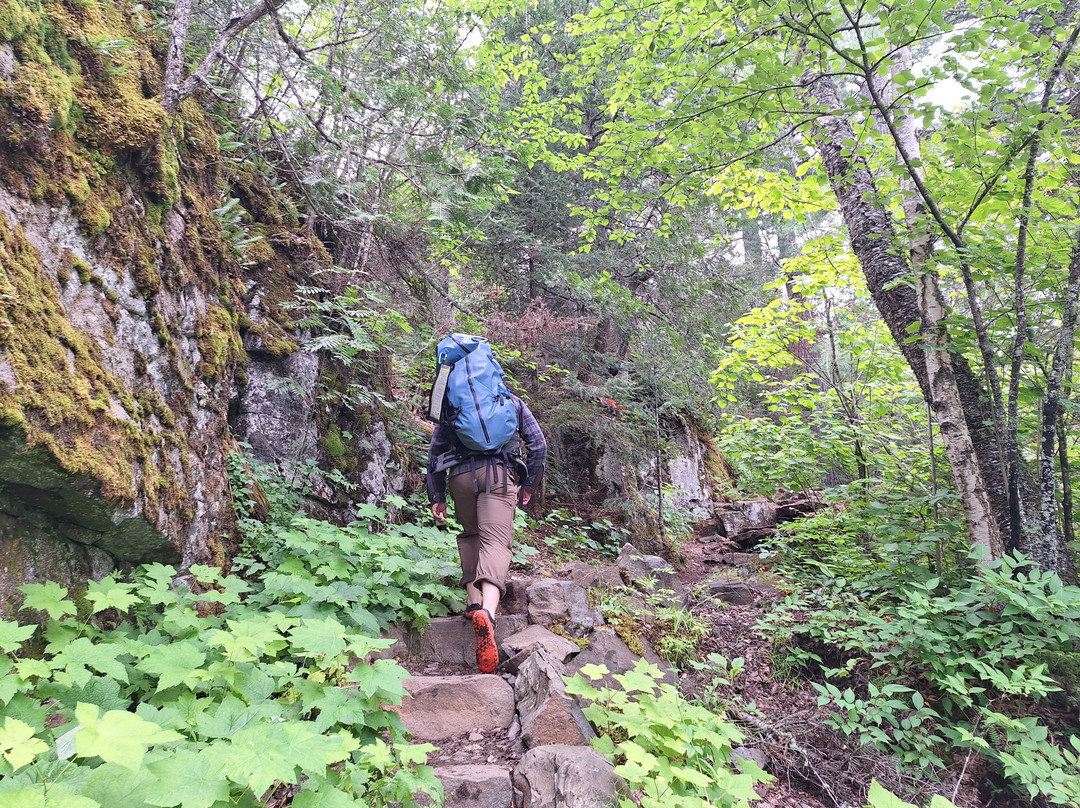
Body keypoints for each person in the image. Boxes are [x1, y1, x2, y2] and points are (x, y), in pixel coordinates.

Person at [426, 388, 547, 674]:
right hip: (498, 473)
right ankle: (488, 613)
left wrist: (437, 494)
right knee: (496, 542)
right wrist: (528, 484)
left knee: (471, 535)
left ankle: (473, 601)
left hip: (460, 477)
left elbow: (435, 451)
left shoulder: (454, 403)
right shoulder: (512, 402)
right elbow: (538, 445)